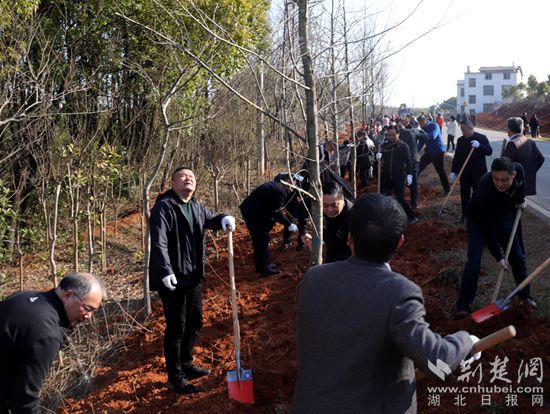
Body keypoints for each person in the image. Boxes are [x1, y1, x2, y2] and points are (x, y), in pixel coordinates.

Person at [291, 193, 478, 413]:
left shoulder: (313, 278)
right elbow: (438, 363)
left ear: (350, 238)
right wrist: (466, 341)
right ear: (400, 242)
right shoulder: (400, 294)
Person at [149, 167, 236, 394]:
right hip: (173, 278)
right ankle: (175, 377)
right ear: (173, 182)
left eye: (192, 177)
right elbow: (158, 241)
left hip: (194, 276)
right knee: (176, 327)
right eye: (183, 176)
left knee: (194, 322)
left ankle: (187, 365)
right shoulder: (164, 206)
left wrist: (224, 218)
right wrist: (164, 269)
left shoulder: (196, 206)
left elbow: (211, 219)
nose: (188, 178)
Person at [0, 272, 105, 413]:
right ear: (68, 295)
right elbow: (25, 399)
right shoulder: (48, 336)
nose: (88, 316)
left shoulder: (23, 296)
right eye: (87, 308)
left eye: (93, 311)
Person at [455, 157, 536, 319]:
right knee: (473, 263)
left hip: (504, 217)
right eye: (496, 178)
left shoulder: (519, 170)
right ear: (491, 174)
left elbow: (521, 184)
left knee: (518, 257)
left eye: (504, 180)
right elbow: (488, 228)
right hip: (479, 222)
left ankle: (524, 296)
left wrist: (520, 200)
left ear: (513, 175)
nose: (499, 183)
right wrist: (498, 257)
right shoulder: (484, 187)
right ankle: (463, 305)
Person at [239, 179, 298, 277]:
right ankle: (265, 269)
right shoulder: (281, 192)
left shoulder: (277, 187)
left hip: (252, 211)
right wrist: (289, 224)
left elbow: (273, 209)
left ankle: (261, 266)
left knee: (260, 239)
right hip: (253, 213)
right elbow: (277, 212)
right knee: (262, 239)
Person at [450, 120, 493, 223]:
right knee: (464, 195)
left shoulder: (481, 138)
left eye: (464, 130)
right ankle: (465, 215)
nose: (462, 132)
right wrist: (454, 171)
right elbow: (457, 157)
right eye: (461, 130)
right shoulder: (460, 140)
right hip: (464, 173)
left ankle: (478, 216)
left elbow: (489, 151)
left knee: (478, 195)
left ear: (471, 128)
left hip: (478, 174)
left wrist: (479, 146)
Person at [301, 181, 353, 263]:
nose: (330, 209)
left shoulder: (353, 215)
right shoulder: (315, 203)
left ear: (342, 199)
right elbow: (301, 210)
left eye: (334, 205)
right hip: (329, 248)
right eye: (325, 205)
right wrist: (303, 232)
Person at [377, 125, 416, 223]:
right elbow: (379, 158)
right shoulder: (385, 145)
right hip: (386, 176)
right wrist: (377, 156)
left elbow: (408, 161)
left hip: (398, 176)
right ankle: (385, 217)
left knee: (399, 198)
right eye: (389, 135)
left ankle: (411, 217)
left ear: (398, 134)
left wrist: (409, 174)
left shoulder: (403, 146)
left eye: (393, 135)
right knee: (382, 197)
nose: (391, 137)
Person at [503, 117, 545, 196]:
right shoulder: (531, 142)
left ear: (509, 129)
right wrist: (530, 172)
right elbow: (541, 159)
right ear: (522, 129)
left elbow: (505, 166)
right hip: (526, 185)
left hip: (514, 187)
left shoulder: (512, 144)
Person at [417, 114, 451, 195]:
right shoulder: (423, 129)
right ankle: (411, 184)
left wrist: (421, 134)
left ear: (424, 121)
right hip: (429, 152)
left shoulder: (434, 126)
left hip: (438, 151)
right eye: (419, 123)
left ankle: (447, 190)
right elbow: (421, 143)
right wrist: (415, 152)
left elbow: (432, 136)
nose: (420, 125)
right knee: (419, 166)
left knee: (440, 171)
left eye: (420, 123)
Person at [399, 121, 420, 209]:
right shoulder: (413, 131)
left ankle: (405, 204)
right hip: (413, 160)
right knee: (413, 183)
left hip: (408, 161)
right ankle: (413, 204)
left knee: (406, 182)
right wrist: (418, 147)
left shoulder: (400, 135)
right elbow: (426, 137)